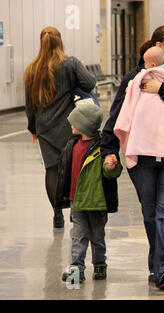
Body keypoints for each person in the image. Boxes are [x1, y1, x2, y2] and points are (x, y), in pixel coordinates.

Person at [101, 25, 164, 290]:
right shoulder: (134, 79)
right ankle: (158, 266)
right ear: (159, 46)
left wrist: (162, 88)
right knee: (151, 214)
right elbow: (117, 115)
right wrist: (109, 149)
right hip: (143, 156)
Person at [24, 26, 96, 229]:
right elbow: (90, 83)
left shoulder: (32, 69)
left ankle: (57, 213)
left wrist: (33, 129)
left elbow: (29, 104)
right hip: (69, 125)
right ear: (60, 41)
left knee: (52, 169)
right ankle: (74, 209)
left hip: (45, 127)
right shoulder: (70, 63)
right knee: (73, 167)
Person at [55, 103, 122, 284]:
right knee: (78, 235)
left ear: (83, 125)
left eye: (74, 122)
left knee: (97, 236)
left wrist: (112, 165)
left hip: (96, 201)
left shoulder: (102, 147)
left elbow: (111, 174)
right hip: (76, 200)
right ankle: (77, 268)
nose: (71, 125)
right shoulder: (72, 144)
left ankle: (100, 264)